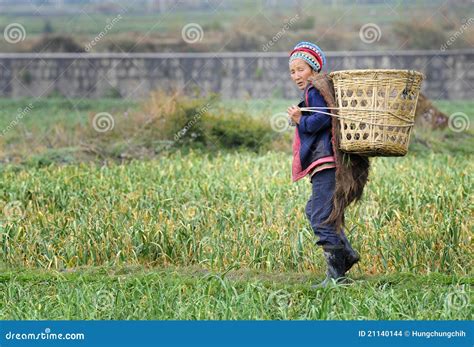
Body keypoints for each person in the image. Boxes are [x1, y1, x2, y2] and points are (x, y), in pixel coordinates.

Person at [287, 41, 367, 288]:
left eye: (301, 69)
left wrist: (301, 119)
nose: (297, 75)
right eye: (292, 71)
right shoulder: (318, 88)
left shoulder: (314, 89)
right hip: (328, 163)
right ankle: (347, 254)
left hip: (326, 163)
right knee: (314, 210)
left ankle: (336, 277)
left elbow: (322, 119)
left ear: (313, 69)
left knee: (320, 216)